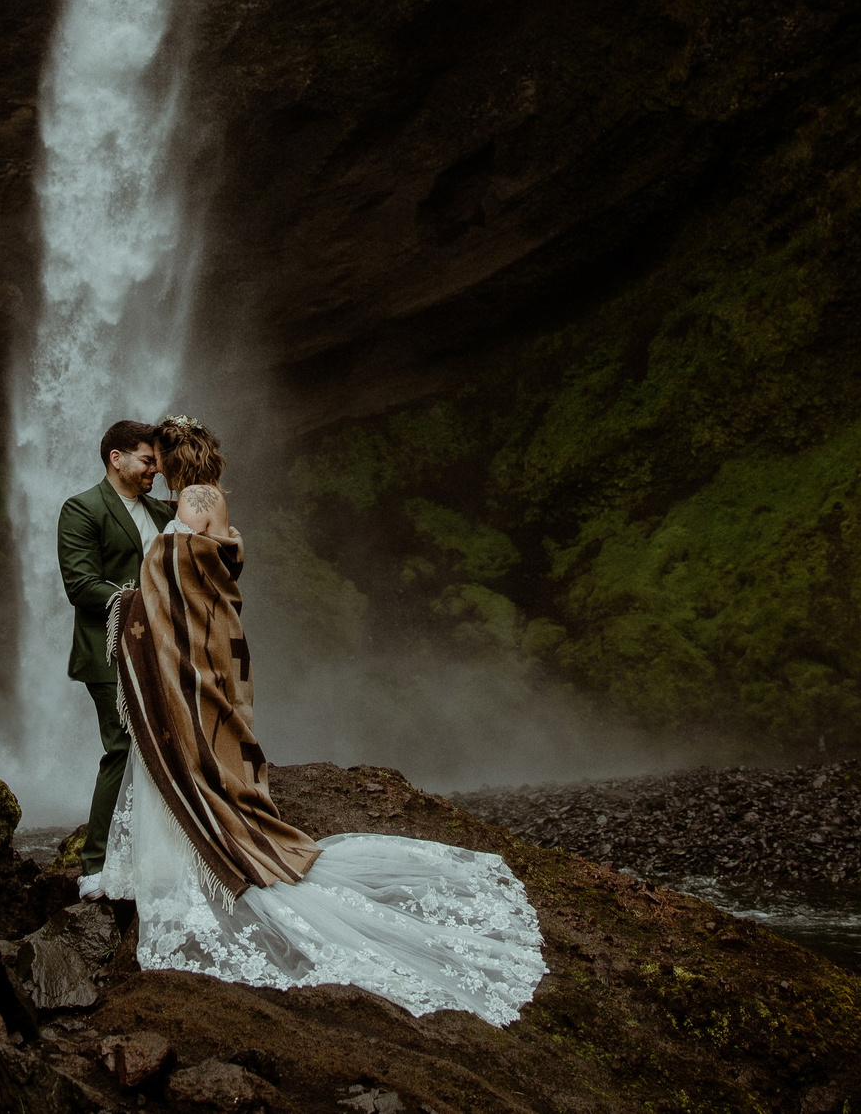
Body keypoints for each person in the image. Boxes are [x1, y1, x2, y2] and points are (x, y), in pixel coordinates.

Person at [98, 415, 547, 1025]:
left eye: (161, 461)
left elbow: (179, 575)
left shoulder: (199, 498)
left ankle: (196, 856)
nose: (155, 471)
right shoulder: (214, 500)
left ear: (179, 461)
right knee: (206, 744)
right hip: (208, 644)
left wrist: (131, 598)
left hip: (194, 652)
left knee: (195, 746)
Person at [55, 418, 175, 900]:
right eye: (148, 461)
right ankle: (96, 864)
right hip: (109, 650)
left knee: (164, 748)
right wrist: (145, 600)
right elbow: (81, 585)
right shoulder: (82, 509)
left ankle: (154, 854)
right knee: (123, 747)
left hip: (161, 649)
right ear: (116, 458)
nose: (155, 471)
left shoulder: (163, 512)